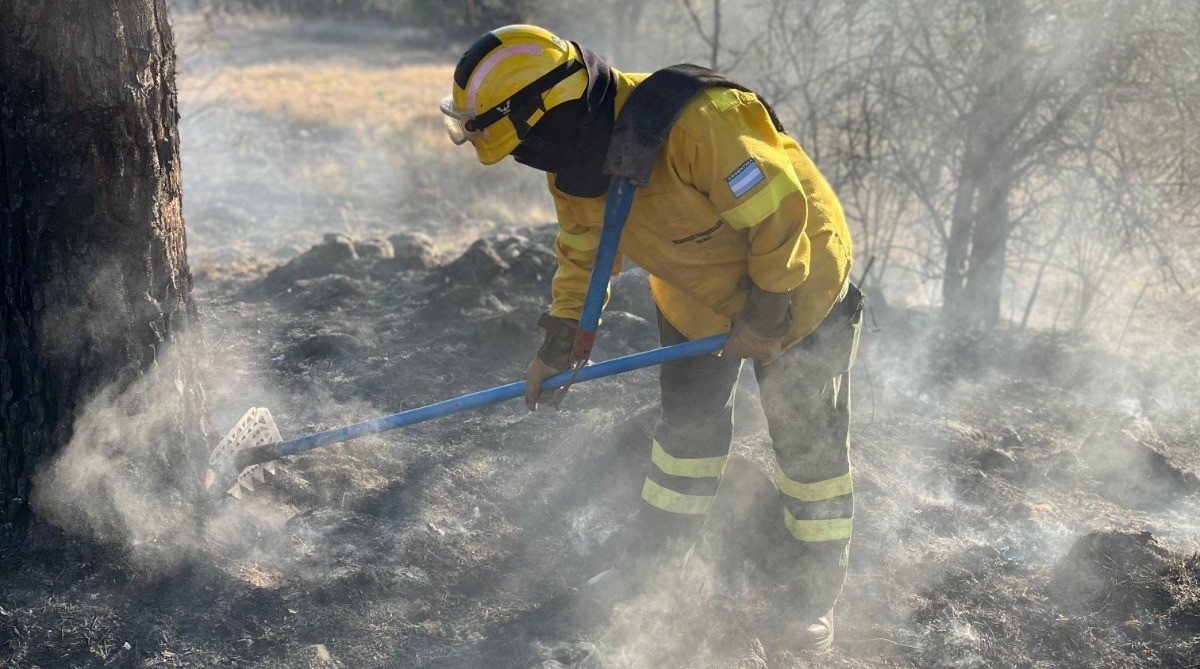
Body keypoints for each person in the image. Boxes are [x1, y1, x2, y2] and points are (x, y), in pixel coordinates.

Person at [441, 25, 862, 651]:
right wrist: (561, 343)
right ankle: (654, 569)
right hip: (696, 294)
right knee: (685, 438)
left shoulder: (703, 123)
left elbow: (780, 220)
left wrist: (766, 317)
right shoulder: (573, 163)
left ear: (549, 118)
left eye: (523, 146)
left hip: (797, 281)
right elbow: (583, 251)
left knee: (808, 445)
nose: (527, 159)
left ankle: (809, 596)